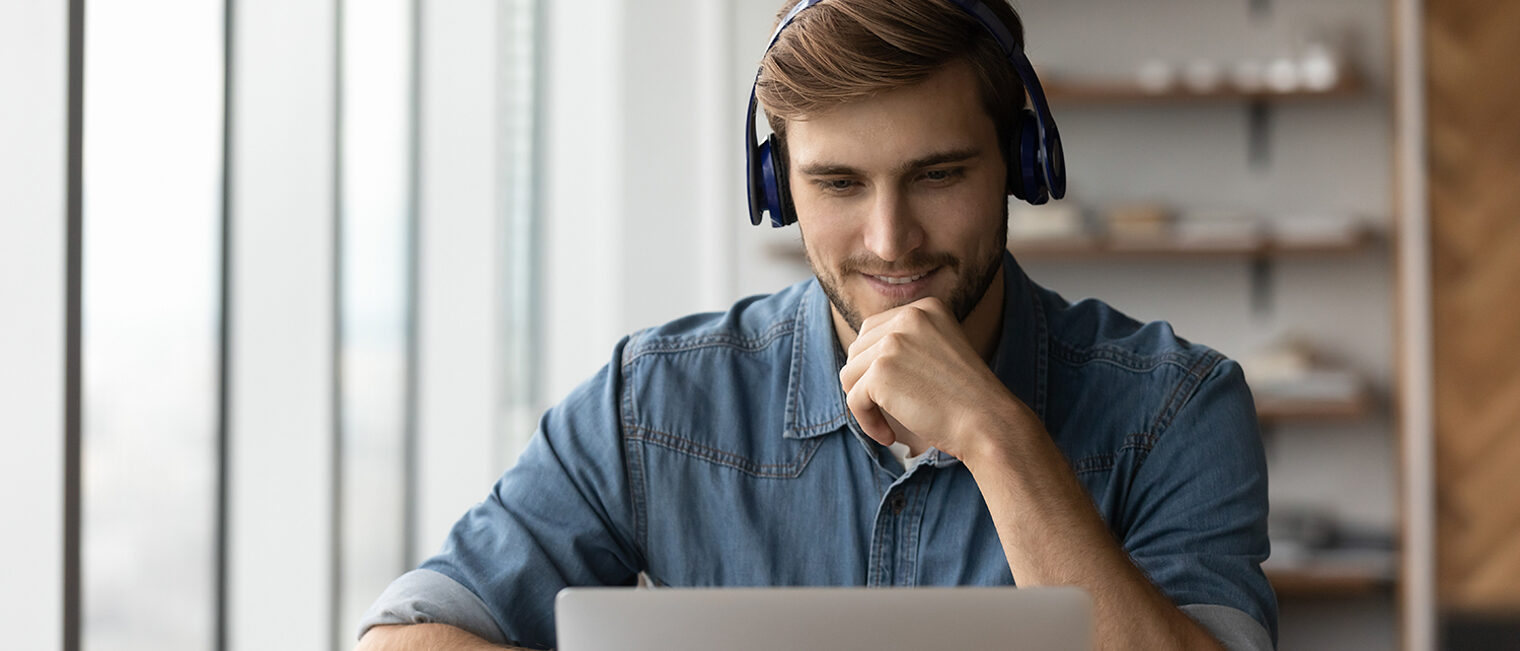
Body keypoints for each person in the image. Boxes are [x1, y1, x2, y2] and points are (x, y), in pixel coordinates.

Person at [356, 0, 1277, 649]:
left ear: (1021, 162)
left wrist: (999, 437)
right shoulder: (653, 400)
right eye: (838, 183)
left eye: (939, 174)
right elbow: (403, 639)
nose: (890, 240)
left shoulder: (1176, 406)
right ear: (777, 187)